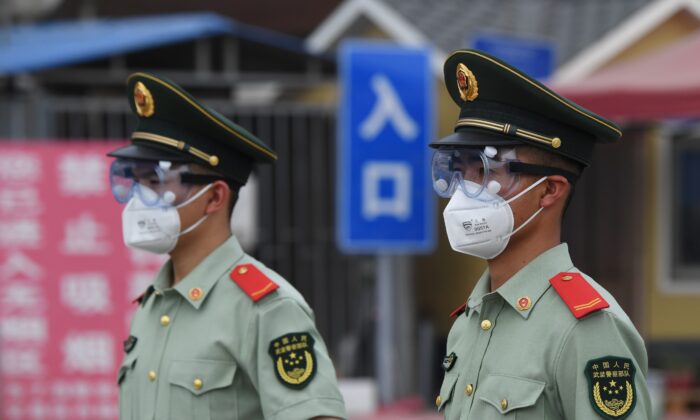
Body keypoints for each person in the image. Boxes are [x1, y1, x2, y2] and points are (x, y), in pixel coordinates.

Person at [109, 72, 346, 420]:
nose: (139, 199)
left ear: (215, 197)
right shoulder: (152, 305)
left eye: (155, 182)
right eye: (135, 181)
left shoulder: (266, 308)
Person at [431, 50, 651, 419]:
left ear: (550, 191)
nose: (465, 190)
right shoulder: (471, 320)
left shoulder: (585, 328)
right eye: (461, 170)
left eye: (486, 170)